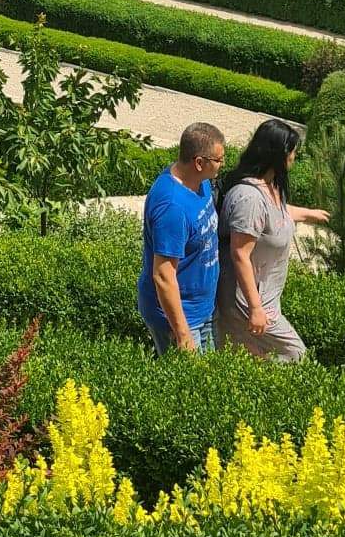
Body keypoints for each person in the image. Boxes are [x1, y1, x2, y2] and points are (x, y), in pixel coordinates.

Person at [215, 119, 328, 365]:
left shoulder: (271, 186)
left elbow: (276, 216)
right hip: (246, 302)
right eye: (292, 151)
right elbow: (240, 254)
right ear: (277, 153)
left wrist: (310, 214)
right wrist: (255, 309)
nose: (295, 157)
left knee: (253, 361)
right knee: (296, 356)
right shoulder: (249, 198)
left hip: (266, 300)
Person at [138, 121, 226, 356]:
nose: (222, 164)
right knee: (190, 388)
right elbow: (163, 275)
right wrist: (182, 334)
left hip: (203, 309)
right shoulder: (172, 207)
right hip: (182, 319)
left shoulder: (200, 182)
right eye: (219, 160)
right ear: (199, 162)